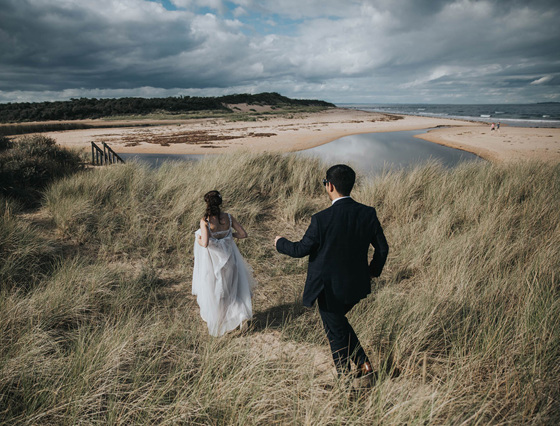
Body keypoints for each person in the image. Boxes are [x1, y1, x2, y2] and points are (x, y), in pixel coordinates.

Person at [275, 164, 389, 383]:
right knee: (337, 323)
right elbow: (382, 249)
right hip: (357, 285)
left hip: (328, 289)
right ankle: (364, 365)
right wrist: (372, 273)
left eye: (325, 183)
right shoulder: (367, 213)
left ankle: (346, 380)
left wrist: (280, 243)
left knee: (335, 331)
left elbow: (300, 250)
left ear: (330, 186)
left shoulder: (321, 219)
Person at [192, 190, 255, 336]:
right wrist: (229, 236)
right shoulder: (228, 217)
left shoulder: (206, 221)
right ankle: (240, 316)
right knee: (233, 290)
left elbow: (206, 243)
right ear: (220, 203)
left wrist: (198, 239)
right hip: (230, 261)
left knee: (218, 293)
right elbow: (243, 234)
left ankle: (220, 322)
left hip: (214, 264)